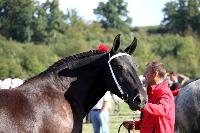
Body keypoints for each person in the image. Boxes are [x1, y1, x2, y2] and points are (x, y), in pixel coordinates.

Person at [123, 61, 175, 133]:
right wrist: (135, 125)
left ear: (155, 74)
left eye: (146, 72)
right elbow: (150, 118)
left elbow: (163, 110)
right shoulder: (150, 91)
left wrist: (143, 105)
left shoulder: (164, 91)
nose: (144, 75)